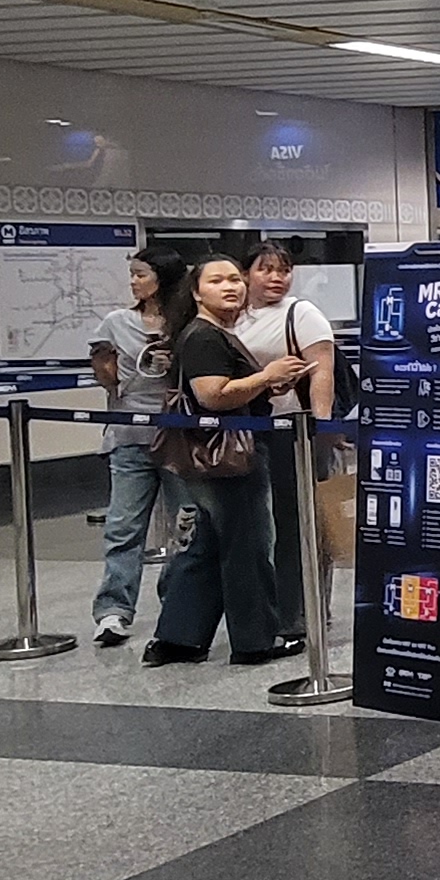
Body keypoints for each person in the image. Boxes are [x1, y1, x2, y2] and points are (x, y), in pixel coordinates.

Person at [146, 255, 303, 665]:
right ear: (197, 292)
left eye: (234, 279)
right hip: (228, 457)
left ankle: (178, 637)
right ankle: (256, 640)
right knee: (246, 545)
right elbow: (212, 395)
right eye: (216, 281)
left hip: (210, 455)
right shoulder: (204, 337)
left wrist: (264, 385)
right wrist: (266, 376)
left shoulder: (210, 334)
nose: (230, 286)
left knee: (207, 545)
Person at [237, 241, 339, 642]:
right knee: (256, 524)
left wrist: (320, 428)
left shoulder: (302, 313)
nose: (276, 278)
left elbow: (322, 372)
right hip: (247, 430)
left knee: (299, 522)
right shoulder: (234, 317)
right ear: (247, 274)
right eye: (265, 269)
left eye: (283, 270)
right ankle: (267, 607)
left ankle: (301, 611)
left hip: (293, 430)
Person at [84, 250, 181, 645]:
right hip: (129, 437)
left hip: (178, 437)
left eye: (141, 274)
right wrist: (106, 368)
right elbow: (105, 373)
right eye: (133, 275)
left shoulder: (185, 321)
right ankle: (113, 610)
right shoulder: (116, 323)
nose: (134, 282)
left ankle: (178, 603)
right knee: (124, 526)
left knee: (184, 527)